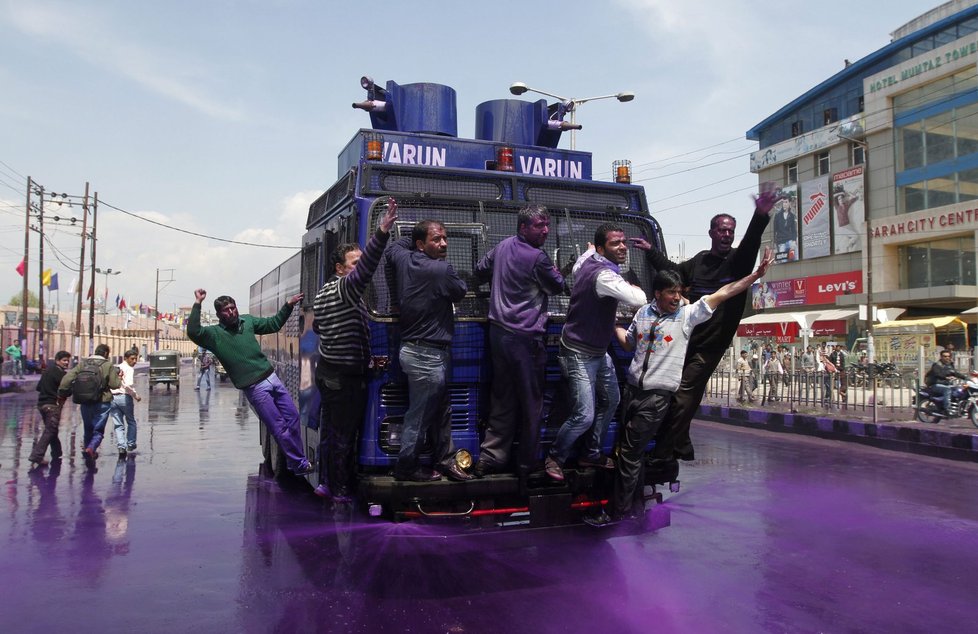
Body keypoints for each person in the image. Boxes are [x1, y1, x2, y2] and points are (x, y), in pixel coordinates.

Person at [585, 248, 774, 526]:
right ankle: (634, 509)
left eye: (679, 292)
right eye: (671, 292)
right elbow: (628, 343)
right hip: (633, 392)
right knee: (629, 454)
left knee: (629, 453)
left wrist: (755, 276)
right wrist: (610, 323)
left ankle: (620, 514)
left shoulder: (687, 316)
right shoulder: (643, 315)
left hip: (657, 398)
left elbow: (723, 293)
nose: (677, 297)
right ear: (658, 293)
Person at [633, 182, 783, 464]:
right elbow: (673, 272)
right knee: (672, 391)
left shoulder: (738, 262)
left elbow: (751, 243)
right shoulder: (700, 261)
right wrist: (650, 250)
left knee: (682, 395)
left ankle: (664, 452)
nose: (726, 235)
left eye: (730, 231)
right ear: (712, 232)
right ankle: (682, 444)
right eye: (722, 230)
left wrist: (760, 215)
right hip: (686, 339)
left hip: (711, 346)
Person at [545, 223, 647, 482]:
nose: (623, 247)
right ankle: (555, 457)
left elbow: (582, 259)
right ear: (602, 249)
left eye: (624, 241)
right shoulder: (604, 276)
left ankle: (590, 453)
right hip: (578, 352)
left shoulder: (588, 260)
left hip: (598, 350)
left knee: (611, 400)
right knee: (584, 415)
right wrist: (630, 284)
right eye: (616, 243)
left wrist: (591, 251)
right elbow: (638, 300)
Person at [312, 197, 398, 500]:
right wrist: (382, 231)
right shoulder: (346, 288)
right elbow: (368, 269)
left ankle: (325, 483)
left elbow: (322, 329)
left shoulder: (324, 293)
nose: (360, 268)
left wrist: (367, 360)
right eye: (354, 263)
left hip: (329, 371)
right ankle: (341, 490)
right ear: (340, 268)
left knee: (331, 432)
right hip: (344, 378)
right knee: (345, 436)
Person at [472, 204, 566, 480]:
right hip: (525, 339)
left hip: (498, 334)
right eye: (540, 225)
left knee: (502, 398)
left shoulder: (501, 247)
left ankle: (490, 458)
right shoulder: (538, 258)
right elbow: (557, 285)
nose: (546, 230)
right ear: (523, 227)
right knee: (531, 402)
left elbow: (480, 269)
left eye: (547, 224)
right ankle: (527, 464)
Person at [187, 289, 314, 476]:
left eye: (233, 308)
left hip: (272, 378)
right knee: (279, 426)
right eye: (226, 310)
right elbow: (193, 331)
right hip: (255, 388)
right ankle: (299, 463)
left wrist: (289, 305)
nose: (231, 312)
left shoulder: (247, 321)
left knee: (293, 417)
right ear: (219, 315)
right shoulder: (213, 335)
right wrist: (198, 303)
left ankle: (295, 461)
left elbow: (274, 324)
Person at [385, 219, 471, 482]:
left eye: (445, 238)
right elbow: (461, 291)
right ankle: (406, 467)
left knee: (438, 410)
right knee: (419, 416)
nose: (444, 244)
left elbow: (393, 248)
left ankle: (445, 459)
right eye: (436, 239)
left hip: (414, 351)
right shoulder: (441, 270)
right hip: (428, 356)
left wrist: (416, 236)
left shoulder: (402, 258)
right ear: (421, 244)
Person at [58, 343, 122, 460]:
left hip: (85, 401)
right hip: (102, 401)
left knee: (88, 429)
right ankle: (91, 448)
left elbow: (67, 379)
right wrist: (119, 377)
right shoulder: (108, 365)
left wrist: (62, 393)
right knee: (98, 430)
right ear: (106, 354)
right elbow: (115, 385)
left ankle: (88, 452)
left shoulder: (83, 364)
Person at [28, 350, 72, 466]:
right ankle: (36, 456)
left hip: (41, 404)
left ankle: (57, 453)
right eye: (64, 360)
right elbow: (67, 391)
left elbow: (39, 388)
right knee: (50, 430)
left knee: (52, 429)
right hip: (52, 405)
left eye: (68, 360)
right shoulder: (61, 374)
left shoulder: (47, 371)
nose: (66, 363)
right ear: (57, 361)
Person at [109, 348, 141, 458]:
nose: (134, 361)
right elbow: (128, 385)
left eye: (136, 359)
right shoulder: (129, 369)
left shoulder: (116, 368)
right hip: (124, 397)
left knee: (118, 424)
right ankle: (130, 444)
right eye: (132, 359)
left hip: (113, 398)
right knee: (131, 421)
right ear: (126, 358)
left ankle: (121, 446)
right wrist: (136, 396)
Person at [924, 349, 967, 415]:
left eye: (948, 356)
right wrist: (946, 377)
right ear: (941, 357)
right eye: (945, 356)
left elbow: (955, 373)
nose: (947, 358)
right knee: (947, 389)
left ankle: (957, 407)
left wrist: (966, 378)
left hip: (946, 384)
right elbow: (937, 374)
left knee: (959, 390)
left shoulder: (950, 365)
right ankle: (947, 409)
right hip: (935, 384)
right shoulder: (937, 365)